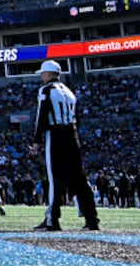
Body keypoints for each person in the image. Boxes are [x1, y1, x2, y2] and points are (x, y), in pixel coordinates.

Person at [31, 60, 100, 231]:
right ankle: (92, 219)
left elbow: (42, 116)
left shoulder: (46, 90)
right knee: (79, 179)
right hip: (72, 135)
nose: (41, 76)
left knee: (54, 179)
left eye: (43, 73)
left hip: (55, 135)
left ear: (48, 74)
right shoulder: (70, 92)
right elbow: (77, 117)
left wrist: (36, 140)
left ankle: (52, 220)